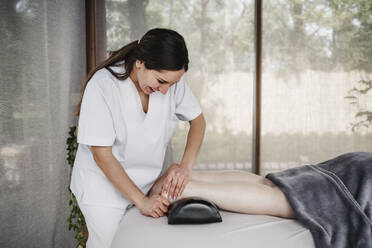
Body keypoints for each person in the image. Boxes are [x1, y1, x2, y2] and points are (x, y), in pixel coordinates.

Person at [70, 28, 206, 248]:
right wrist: (142, 202)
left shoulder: (171, 83)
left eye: (171, 84)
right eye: (161, 81)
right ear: (140, 62)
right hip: (102, 192)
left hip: (146, 188)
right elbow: (102, 155)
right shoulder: (103, 85)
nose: (165, 91)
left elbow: (198, 122)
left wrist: (185, 168)